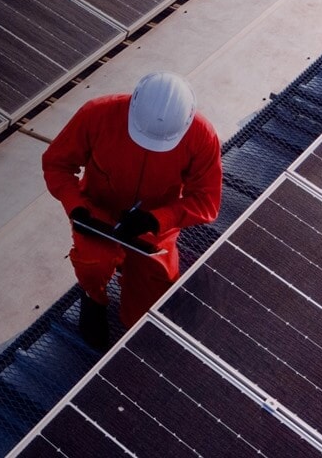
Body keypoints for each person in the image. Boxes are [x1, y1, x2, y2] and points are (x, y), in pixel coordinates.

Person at [41, 72, 221, 350]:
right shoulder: (96, 115)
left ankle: (134, 326)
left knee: (149, 300)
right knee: (94, 262)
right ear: (132, 106)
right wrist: (75, 206)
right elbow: (57, 164)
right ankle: (94, 297)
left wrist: (156, 219)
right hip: (96, 215)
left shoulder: (202, 136)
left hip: (152, 226)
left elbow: (206, 201)